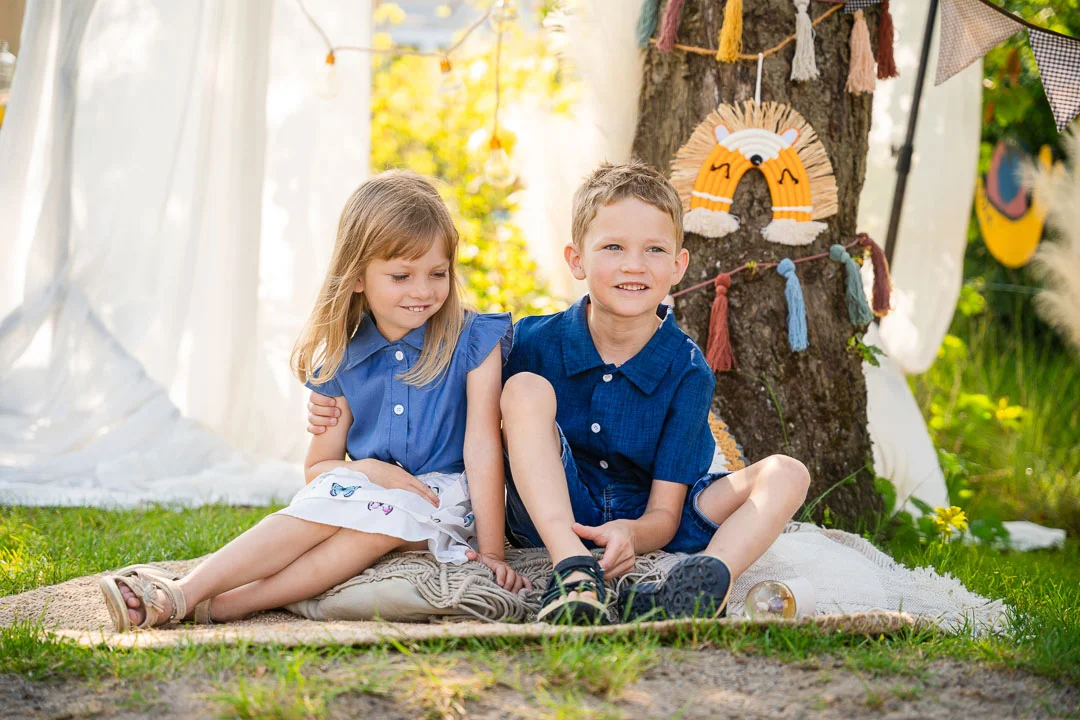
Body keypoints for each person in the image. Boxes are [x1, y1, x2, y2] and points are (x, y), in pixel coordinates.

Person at [308, 162, 810, 625]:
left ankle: (699, 587)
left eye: (653, 250)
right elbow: (447, 386)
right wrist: (341, 401)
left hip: (652, 522)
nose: (634, 265)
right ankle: (573, 570)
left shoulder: (687, 369)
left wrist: (632, 535)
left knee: (787, 473)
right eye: (613, 248)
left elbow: (665, 513)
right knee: (524, 388)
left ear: (678, 266)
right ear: (576, 260)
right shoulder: (529, 342)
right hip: (549, 514)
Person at [98, 170, 528, 632]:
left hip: (445, 501)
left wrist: (491, 552)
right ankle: (183, 592)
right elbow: (317, 470)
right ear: (358, 277)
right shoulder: (343, 357)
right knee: (316, 511)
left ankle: (229, 605)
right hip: (371, 491)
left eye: (437, 274)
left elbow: (483, 446)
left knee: (373, 526)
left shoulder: (472, 341)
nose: (423, 291)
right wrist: (369, 471)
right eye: (401, 275)